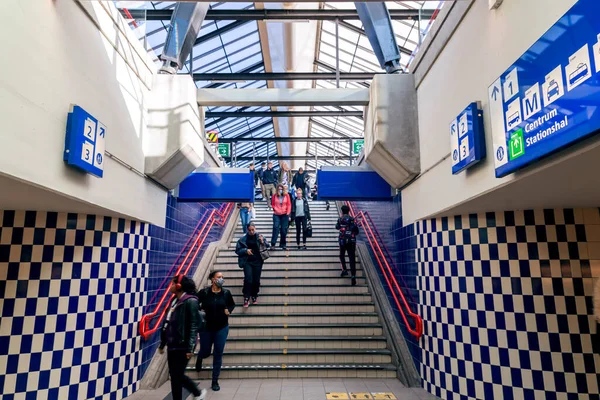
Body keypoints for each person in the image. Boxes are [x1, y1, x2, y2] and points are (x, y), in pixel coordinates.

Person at [159, 275, 207, 400]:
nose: (170, 286)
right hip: (172, 343)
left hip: (183, 344)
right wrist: (163, 342)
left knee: (177, 375)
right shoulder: (174, 300)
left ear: (179, 286)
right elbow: (167, 322)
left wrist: (190, 348)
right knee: (175, 376)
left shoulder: (191, 301)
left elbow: (193, 325)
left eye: (172, 284)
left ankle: (197, 392)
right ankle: (191, 394)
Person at [195, 271, 235, 392]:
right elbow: (194, 303)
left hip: (222, 328)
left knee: (218, 353)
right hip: (206, 327)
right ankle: (200, 357)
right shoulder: (204, 292)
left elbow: (232, 305)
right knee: (206, 351)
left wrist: (229, 310)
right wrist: (200, 312)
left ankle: (214, 380)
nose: (221, 279)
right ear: (212, 279)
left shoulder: (226, 293)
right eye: (219, 277)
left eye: (222, 277)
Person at [235, 222, 269, 307]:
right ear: (247, 230)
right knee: (248, 279)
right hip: (247, 261)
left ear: (255, 228)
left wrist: (262, 242)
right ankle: (246, 297)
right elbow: (237, 250)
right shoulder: (242, 239)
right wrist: (245, 250)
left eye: (253, 230)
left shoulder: (260, 236)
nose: (251, 231)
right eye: (250, 230)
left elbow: (267, 245)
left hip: (258, 261)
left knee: (256, 280)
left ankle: (254, 295)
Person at [336, 205, 360, 286]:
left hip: (342, 240)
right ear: (349, 211)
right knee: (352, 258)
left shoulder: (340, 219)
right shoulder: (352, 219)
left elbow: (337, 227)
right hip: (351, 240)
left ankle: (344, 270)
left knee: (342, 255)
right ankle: (353, 275)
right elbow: (356, 230)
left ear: (342, 211)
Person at [271, 184, 291, 250]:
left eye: (281, 189)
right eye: (279, 189)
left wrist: (288, 213)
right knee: (275, 227)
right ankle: (273, 244)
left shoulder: (287, 195)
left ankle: (283, 244)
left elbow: (289, 204)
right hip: (276, 214)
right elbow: (273, 204)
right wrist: (275, 209)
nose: (280, 190)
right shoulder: (274, 196)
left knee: (283, 229)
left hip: (285, 214)